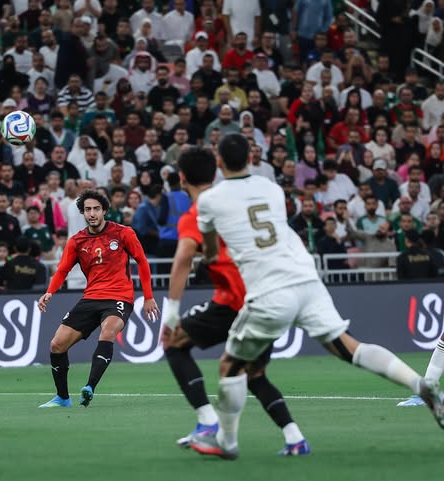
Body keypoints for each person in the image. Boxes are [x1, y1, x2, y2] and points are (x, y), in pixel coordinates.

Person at [189, 133, 444, 459]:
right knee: (350, 347)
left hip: (270, 289)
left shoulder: (210, 200)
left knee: (230, 365)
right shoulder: (272, 189)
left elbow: (212, 252)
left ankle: (227, 442)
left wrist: (209, 255)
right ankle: (418, 384)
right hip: (306, 278)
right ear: (251, 159)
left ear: (219, 161)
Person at [161, 146, 303, 455]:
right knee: (253, 373)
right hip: (267, 296)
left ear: (181, 178)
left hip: (233, 301)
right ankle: (295, 438)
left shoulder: (197, 213)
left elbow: (183, 256)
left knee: (172, 342)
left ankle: (207, 422)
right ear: (215, 172)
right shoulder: (236, 200)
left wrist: (171, 310)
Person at [37, 189, 160, 409]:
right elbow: (63, 269)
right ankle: (63, 398)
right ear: (83, 213)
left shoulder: (123, 233)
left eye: (96, 209)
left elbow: (142, 261)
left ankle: (90, 387)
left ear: (104, 211)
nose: (92, 213)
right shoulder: (77, 241)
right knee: (57, 344)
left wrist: (148, 296)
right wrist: (50, 291)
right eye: (87, 210)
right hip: (91, 298)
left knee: (108, 331)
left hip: (119, 296)